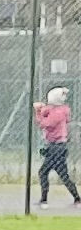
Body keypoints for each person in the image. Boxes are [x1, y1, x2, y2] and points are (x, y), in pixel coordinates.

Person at [40, 80, 76, 208]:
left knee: (44, 172)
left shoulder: (59, 112)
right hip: (54, 146)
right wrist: (42, 110)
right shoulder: (59, 110)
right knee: (61, 174)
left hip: (57, 147)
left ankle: (44, 200)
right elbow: (45, 116)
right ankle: (76, 198)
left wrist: (38, 112)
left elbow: (46, 124)